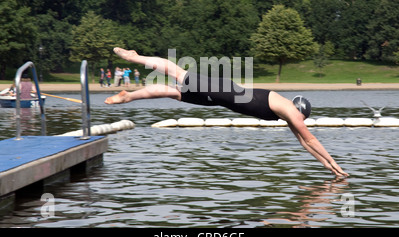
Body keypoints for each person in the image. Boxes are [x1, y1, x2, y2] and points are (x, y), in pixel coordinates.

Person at [105, 48, 349, 178]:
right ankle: (135, 58)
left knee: (174, 93)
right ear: (301, 111)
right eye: (302, 119)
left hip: (224, 100)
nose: (300, 123)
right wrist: (334, 161)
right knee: (178, 73)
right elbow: (310, 139)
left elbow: (305, 144)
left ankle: (129, 96)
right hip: (227, 92)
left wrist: (328, 166)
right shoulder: (291, 110)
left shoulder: (288, 115)